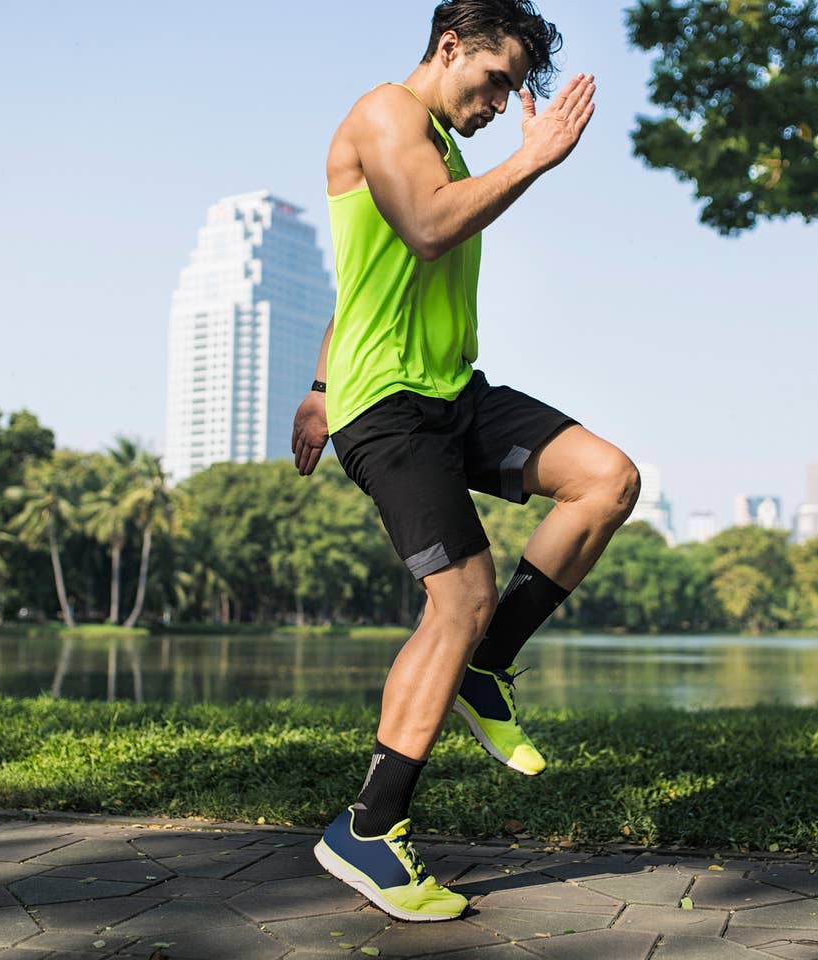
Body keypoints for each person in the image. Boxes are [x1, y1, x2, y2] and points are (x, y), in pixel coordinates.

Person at [290, 0, 639, 922]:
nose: (501, 104)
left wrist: (318, 383)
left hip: (452, 393)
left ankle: (487, 669)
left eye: (518, 90)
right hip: (394, 412)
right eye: (495, 81)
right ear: (449, 48)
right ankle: (367, 828)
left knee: (608, 479)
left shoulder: (440, 147)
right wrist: (535, 157)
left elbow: (365, 279)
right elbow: (427, 232)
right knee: (460, 595)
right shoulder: (383, 114)